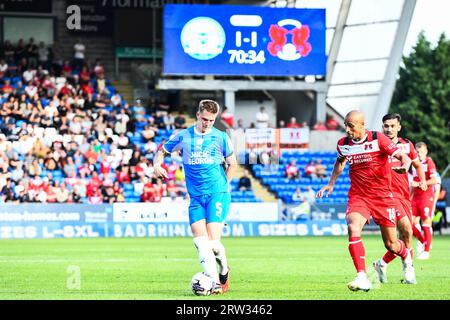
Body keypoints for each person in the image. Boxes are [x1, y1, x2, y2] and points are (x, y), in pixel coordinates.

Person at [316, 110, 415, 292]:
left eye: (351, 126)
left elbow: (404, 157)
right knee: (353, 227)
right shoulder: (343, 144)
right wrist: (330, 184)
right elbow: (340, 162)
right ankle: (361, 276)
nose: (347, 129)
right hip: (359, 196)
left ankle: (406, 256)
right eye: (345, 125)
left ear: (362, 125)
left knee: (392, 244)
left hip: (383, 197)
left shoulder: (378, 139)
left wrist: (404, 166)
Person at [153, 99, 237, 295]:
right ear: (198, 115)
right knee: (200, 242)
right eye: (205, 119)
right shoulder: (183, 136)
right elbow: (161, 152)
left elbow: (232, 164)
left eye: (212, 120)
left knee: (213, 244)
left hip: (217, 194)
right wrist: (157, 165)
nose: (208, 123)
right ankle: (215, 282)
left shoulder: (221, 137)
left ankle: (224, 270)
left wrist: (225, 187)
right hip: (196, 198)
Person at [372, 113, 427, 284]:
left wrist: (423, 181)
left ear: (399, 127)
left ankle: (381, 263)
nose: (389, 129)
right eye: (386, 126)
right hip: (385, 195)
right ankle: (408, 267)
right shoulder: (377, 145)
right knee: (407, 229)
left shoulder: (407, 145)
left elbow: (417, 165)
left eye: (392, 126)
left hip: (403, 196)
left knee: (404, 237)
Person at [411, 142, 438, 260]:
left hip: (426, 197)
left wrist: (420, 184)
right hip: (415, 197)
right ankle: (424, 242)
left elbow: (434, 180)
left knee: (426, 222)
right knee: (410, 223)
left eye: (421, 152)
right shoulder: (414, 164)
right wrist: (410, 195)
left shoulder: (429, 162)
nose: (419, 154)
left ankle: (426, 251)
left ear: (426, 151)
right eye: (417, 152)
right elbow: (413, 182)